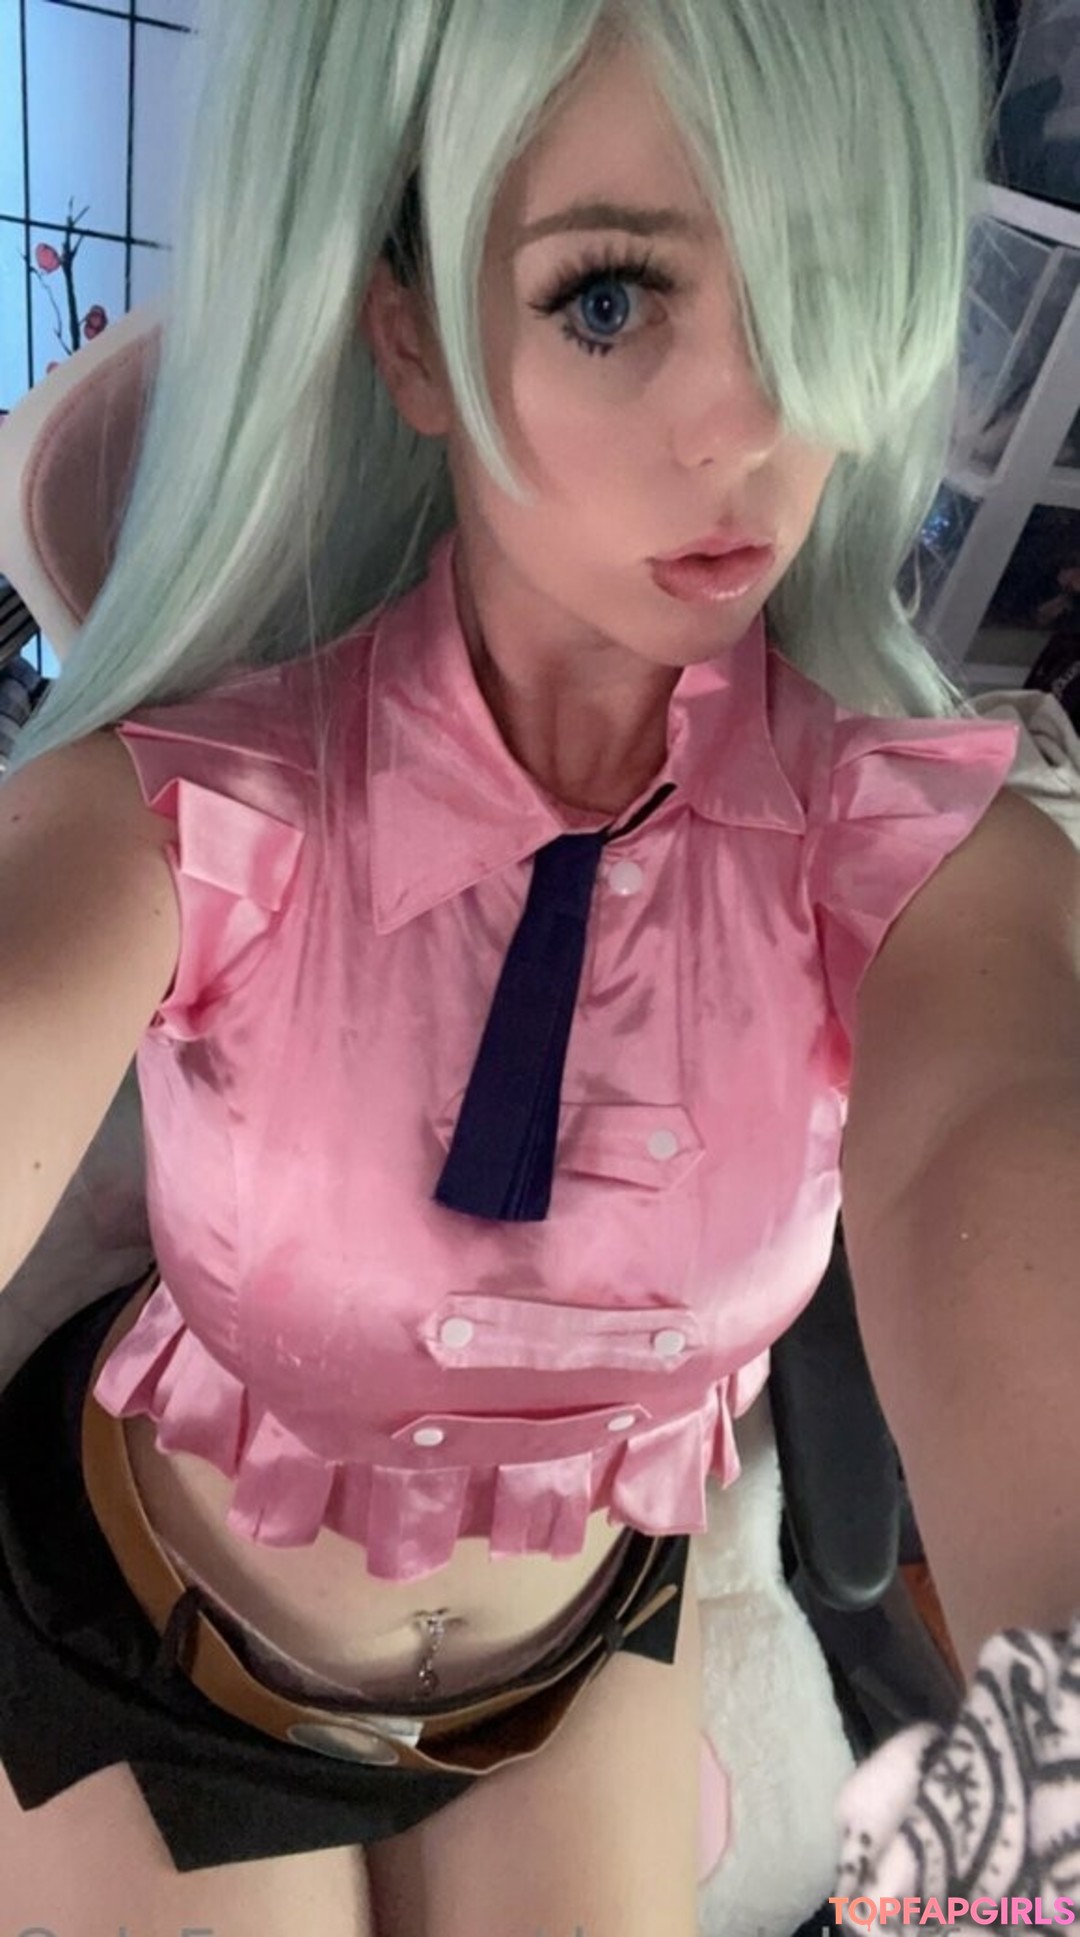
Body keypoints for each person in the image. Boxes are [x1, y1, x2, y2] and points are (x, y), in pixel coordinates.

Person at [0, 3, 1075, 1934]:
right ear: (412, 333)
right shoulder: (193, 814)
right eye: (609, 299)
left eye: (819, 282)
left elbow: (1002, 1138)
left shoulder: (911, 860)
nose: (742, 424)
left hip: (576, 1654)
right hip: (160, 1651)